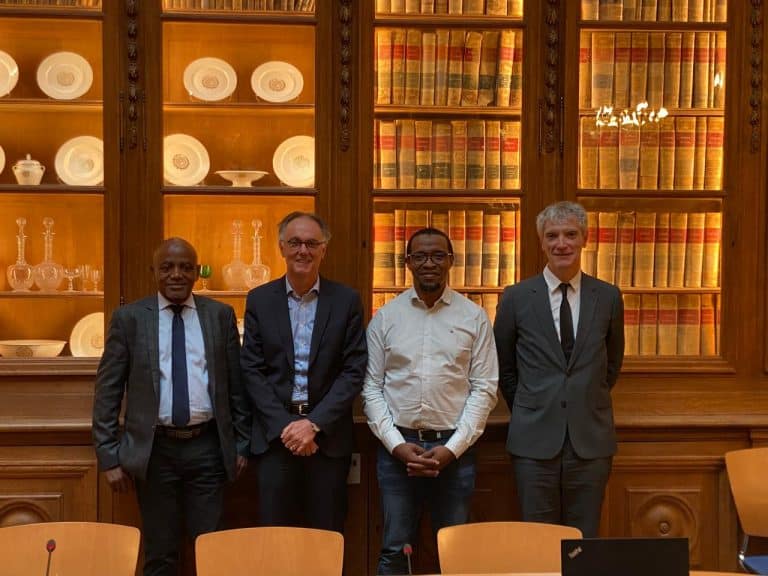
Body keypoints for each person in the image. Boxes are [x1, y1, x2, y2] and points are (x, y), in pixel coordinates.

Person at [92, 237, 250, 576]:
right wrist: (108, 456)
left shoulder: (219, 316)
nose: (176, 274)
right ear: (154, 271)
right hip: (154, 452)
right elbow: (108, 390)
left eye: (185, 267)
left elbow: (236, 386)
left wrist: (241, 444)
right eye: (167, 267)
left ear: (197, 272)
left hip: (208, 449)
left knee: (211, 551)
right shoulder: (130, 319)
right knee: (160, 554)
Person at [363, 227, 499, 575]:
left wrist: (452, 449)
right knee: (395, 550)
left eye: (438, 255)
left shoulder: (474, 317)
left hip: (454, 451)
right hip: (397, 451)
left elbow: (484, 388)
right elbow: (372, 388)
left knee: (454, 554)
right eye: (420, 256)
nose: (429, 263)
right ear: (407, 262)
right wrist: (396, 445)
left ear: (451, 261)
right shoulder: (386, 317)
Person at [494, 201, 625, 538]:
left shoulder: (608, 297)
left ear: (585, 238)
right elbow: (504, 366)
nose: (561, 244)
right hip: (533, 441)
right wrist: (531, 404)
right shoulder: (516, 297)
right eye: (552, 235)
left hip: (590, 441)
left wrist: (583, 397)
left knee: (584, 538)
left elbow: (611, 364)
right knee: (538, 539)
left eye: (570, 234)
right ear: (541, 242)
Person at [240, 211, 367, 533]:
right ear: (281, 247)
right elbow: (252, 370)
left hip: (327, 441)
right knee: (275, 538)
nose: (303, 251)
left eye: (312, 243)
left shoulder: (346, 300)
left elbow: (353, 370)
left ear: (324, 249)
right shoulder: (259, 300)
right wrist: (287, 428)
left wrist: (313, 424)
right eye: (295, 242)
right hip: (274, 439)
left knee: (327, 537)